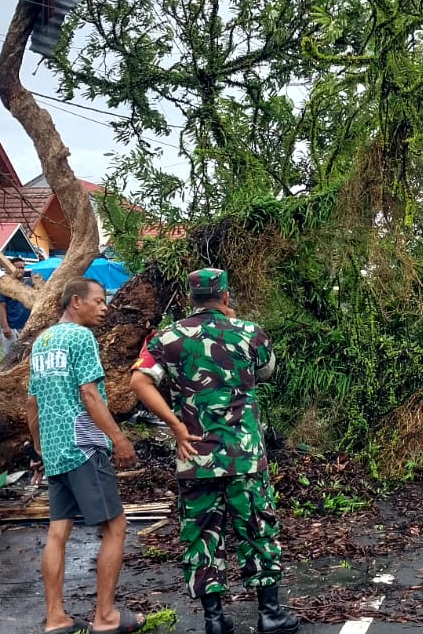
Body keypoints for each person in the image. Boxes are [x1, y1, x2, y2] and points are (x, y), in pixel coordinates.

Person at [130, 268, 300, 634]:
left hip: (195, 455)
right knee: (257, 528)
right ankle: (270, 614)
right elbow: (268, 371)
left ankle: (214, 620)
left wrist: (176, 426)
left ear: (190, 298)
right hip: (244, 454)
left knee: (202, 533)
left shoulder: (166, 337)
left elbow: (139, 381)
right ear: (225, 296)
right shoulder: (250, 332)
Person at [27, 277, 141, 634]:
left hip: (56, 449)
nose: (104, 307)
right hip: (83, 445)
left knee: (58, 531)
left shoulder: (42, 342)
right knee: (115, 526)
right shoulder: (81, 338)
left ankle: (55, 617)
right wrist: (119, 439)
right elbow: (90, 395)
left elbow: (32, 402)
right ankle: (105, 616)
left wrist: (39, 444)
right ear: (76, 302)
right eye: (99, 300)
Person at [0, 258, 32, 346]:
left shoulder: (29, 284)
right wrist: (5, 327)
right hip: (11, 328)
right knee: (9, 356)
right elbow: (2, 306)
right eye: (17, 268)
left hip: (27, 328)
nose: (20, 270)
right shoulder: (5, 285)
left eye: (22, 268)